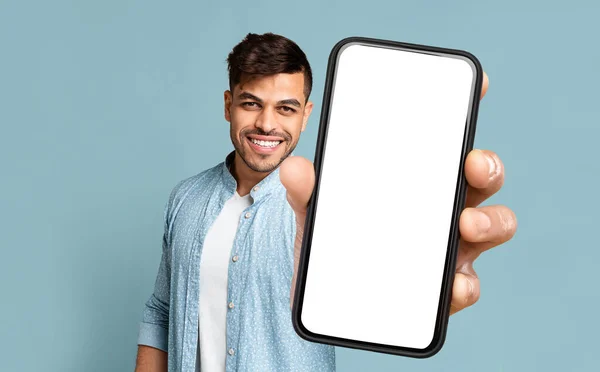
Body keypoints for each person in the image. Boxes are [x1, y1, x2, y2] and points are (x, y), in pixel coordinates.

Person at [134, 32, 517, 372]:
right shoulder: (185, 198)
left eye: (286, 108)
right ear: (227, 104)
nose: (267, 124)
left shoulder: (331, 205)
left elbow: (373, 274)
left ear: (306, 115)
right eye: (251, 103)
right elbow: (160, 312)